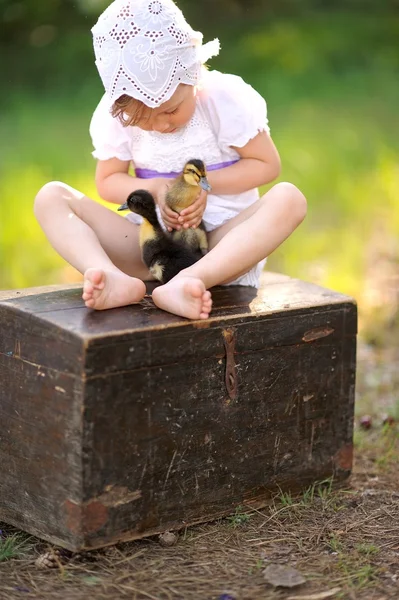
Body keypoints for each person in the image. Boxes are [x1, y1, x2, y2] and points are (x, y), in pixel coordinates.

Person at [34, 0, 307, 320]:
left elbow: (267, 165)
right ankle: (109, 276)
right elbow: (107, 183)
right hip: (148, 248)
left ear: (191, 74)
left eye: (170, 110)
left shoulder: (221, 100)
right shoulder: (119, 115)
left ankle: (193, 279)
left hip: (218, 245)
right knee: (51, 196)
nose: (161, 126)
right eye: (143, 121)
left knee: (290, 198)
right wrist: (156, 187)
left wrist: (204, 186)